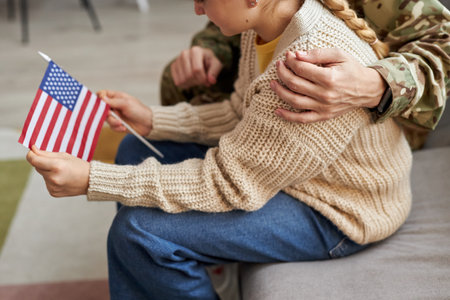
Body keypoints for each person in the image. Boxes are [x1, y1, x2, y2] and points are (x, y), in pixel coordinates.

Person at [27, 0, 415, 299]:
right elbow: (239, 113)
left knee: (140, 233)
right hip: (289, 176)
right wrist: (153, 120)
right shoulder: (267, 26)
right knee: (134, 147)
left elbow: (228, 182)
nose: (197, 9)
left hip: (338, 210)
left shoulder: (306, 65)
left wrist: (93, 178)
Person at [162, 0, 450, 150]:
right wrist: (211, 49)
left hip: (379, 116)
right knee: (177, 81)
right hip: (280, 71)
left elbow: (444, 43)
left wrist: (378, 85)